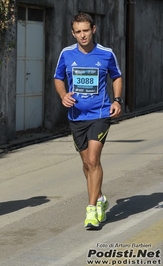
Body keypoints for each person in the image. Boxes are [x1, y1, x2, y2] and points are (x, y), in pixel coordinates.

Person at [54, 13, 123, 229]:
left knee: (93, 160)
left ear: (93, 29)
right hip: (76, 116)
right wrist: (63, 95)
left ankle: (91, 209)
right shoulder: (66, 54)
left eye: (86, 30)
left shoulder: (106, 54)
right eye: (78, 32)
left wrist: (118, 100)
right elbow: (58, 78)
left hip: (100, 114)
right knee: (86, 163)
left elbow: (117, 76)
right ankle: (100, 198)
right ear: (73, 33)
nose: (82, 35)